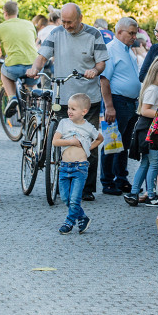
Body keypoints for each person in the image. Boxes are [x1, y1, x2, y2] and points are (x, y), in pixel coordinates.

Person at [27, 3, 107, 200]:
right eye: (63, 21)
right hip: (63, 96)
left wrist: (94, 71)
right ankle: (64, 183)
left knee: (88, 141)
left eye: (70, 22)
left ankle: (86, 189)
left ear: (80, 18)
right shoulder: (56, 33)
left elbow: (101, 62)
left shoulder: (94, 34)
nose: (66, 26)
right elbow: (42, 56)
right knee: (63, 139)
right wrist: (35, 68)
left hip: (88, 98)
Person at [99, 17, 141, 195]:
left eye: (135, 33)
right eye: (131, 33)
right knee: (111, 142)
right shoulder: (111, 50)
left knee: (124, 143)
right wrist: (109, 107)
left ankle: (121, 178)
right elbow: (104, 80)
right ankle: (107, 181)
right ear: (119, 32)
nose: (134, 37)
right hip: (117, 101)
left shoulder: (128, 51)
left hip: (130, 103)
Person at [52, 93, 103, 234]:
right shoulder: (64, 123)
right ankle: (82, 217)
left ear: (84, 112)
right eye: (69, 108)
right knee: (65, 198)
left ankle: (69, 222)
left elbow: (99, 138)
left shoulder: (88, 127)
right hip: (64, 167)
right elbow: (55, 141)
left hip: (80, 167)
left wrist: (87, 148)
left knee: (74, 199)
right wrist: (71, 142)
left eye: (73, 109)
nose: (69, 111)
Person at [125, 56, 158, 206]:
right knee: (154, 163)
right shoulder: (154, 90)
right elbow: (144, 110)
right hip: (149, 131)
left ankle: (134, 192)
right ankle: (151, 194)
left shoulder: (151, 88)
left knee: (146, 163)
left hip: (146, 130)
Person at [0, 1, 38, 119]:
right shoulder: (29, 24)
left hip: (14, 65)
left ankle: (12, 98)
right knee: (31, 89)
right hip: (33, 64)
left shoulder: (1, 28)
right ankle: (34, 112)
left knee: (4, 72)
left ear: (5, 13)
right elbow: (34, 41)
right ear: (17, 11)